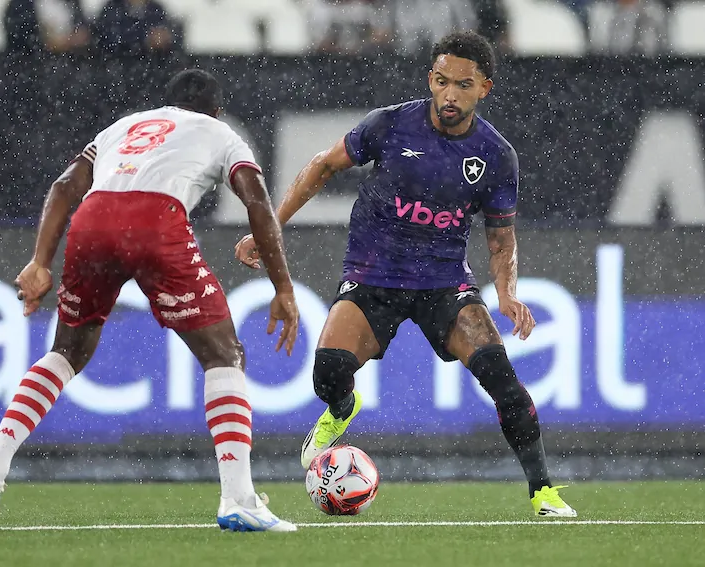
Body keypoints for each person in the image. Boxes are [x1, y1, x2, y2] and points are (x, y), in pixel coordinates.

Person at [235, 31, 576, 517]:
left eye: (463, 84)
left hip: (444, 284)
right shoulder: (391, 125)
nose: (450, 94)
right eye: (442, 82)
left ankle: (543, 491)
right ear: (430, 81)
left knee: (503, 380)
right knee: (329, 373)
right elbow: (322, 165)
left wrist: (506, 293)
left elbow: (501, 237)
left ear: (485, 89)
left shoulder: (497, 156)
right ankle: (340, 409)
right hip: (372, 277)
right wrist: (268, 227)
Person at [0, 69, 300, 533]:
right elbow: (257, 200)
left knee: (65, 352)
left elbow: (65, 185)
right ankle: (238, 498)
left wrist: (39, 260)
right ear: (217, 110)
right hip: (154, 219)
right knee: (225, 355)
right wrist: (283, 287)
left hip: (92, 218)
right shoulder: (222, 133)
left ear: (166, 105)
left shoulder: (125, 126)